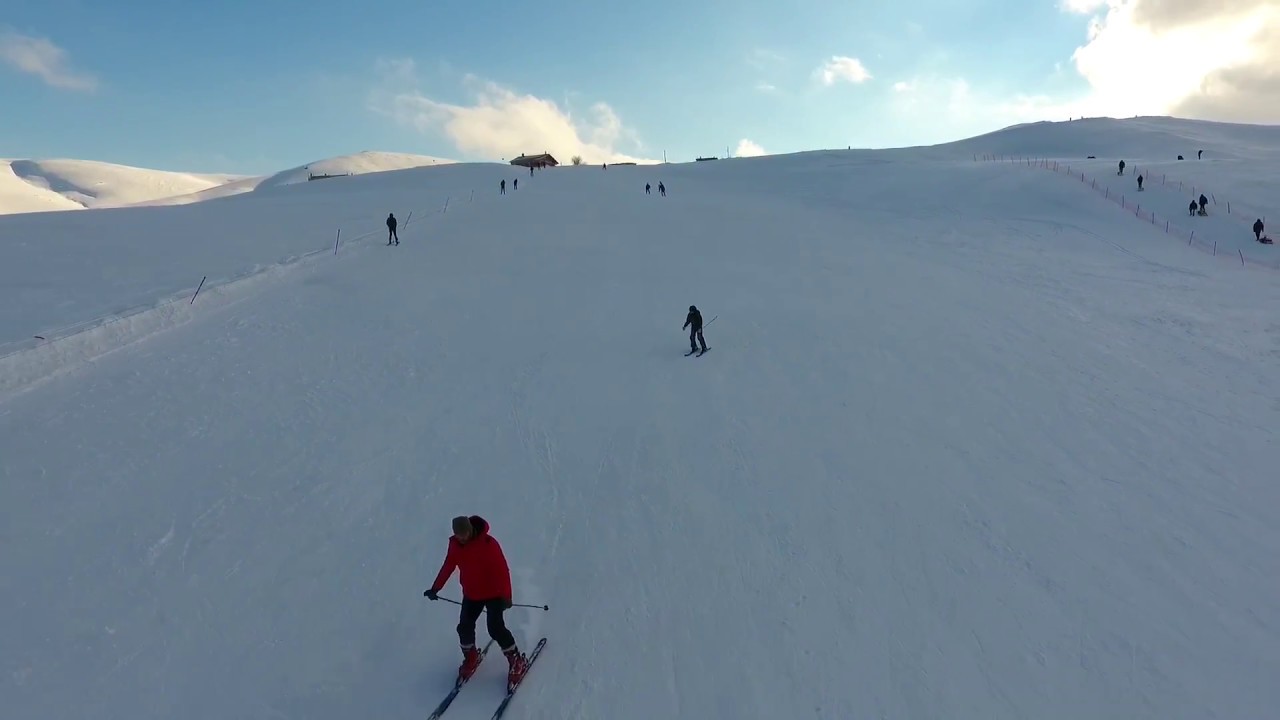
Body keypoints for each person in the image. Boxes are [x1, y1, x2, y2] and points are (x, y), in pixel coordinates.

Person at [424, 516, 528, 687]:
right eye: (458, 535)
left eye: (464, 534)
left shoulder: (488, 544)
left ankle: (516, 660)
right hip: (472, 593)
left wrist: (507, 596)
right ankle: (471, 656)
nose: (461, 538)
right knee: (464, 627)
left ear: (470, 529)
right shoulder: (455, 545)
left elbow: (502, 569)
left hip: (494, 593)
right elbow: (449, 565)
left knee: (495, 628)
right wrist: (435, 588)